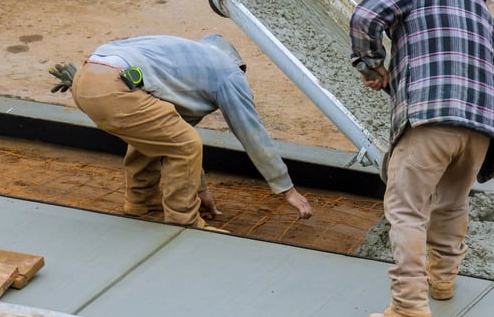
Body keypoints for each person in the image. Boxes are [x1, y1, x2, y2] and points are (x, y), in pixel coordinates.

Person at [349, 0, 494, 317]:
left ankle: (408, 308)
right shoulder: (481, 9)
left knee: (407, 210)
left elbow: (365, 16)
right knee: (452, 204)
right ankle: (442, 282)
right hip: (481, 127)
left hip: (430, 117)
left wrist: (371, 65)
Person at [49, 34, 312, 230]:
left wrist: (200, 189)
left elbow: (170, 130)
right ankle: (183, 221)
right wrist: (286, 188)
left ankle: (141, 201)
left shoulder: (179, 60)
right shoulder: (229, 73)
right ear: (237, 64)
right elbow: (251, 133)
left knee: (154, 134)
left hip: (84, 77)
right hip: (116, 84)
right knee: (186, 146)